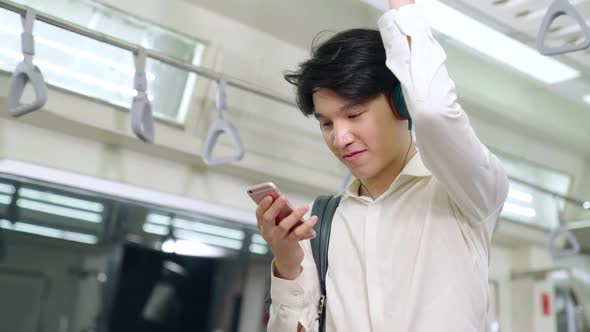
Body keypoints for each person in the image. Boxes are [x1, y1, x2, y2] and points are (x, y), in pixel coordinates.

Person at [255, 0, 509, 331]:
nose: (340, 137)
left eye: (354, 114)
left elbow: (433, 112)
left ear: (401, 103)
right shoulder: (325, 223)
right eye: (327, 124)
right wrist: (287, 262)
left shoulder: (464, 194)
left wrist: (402, 9)